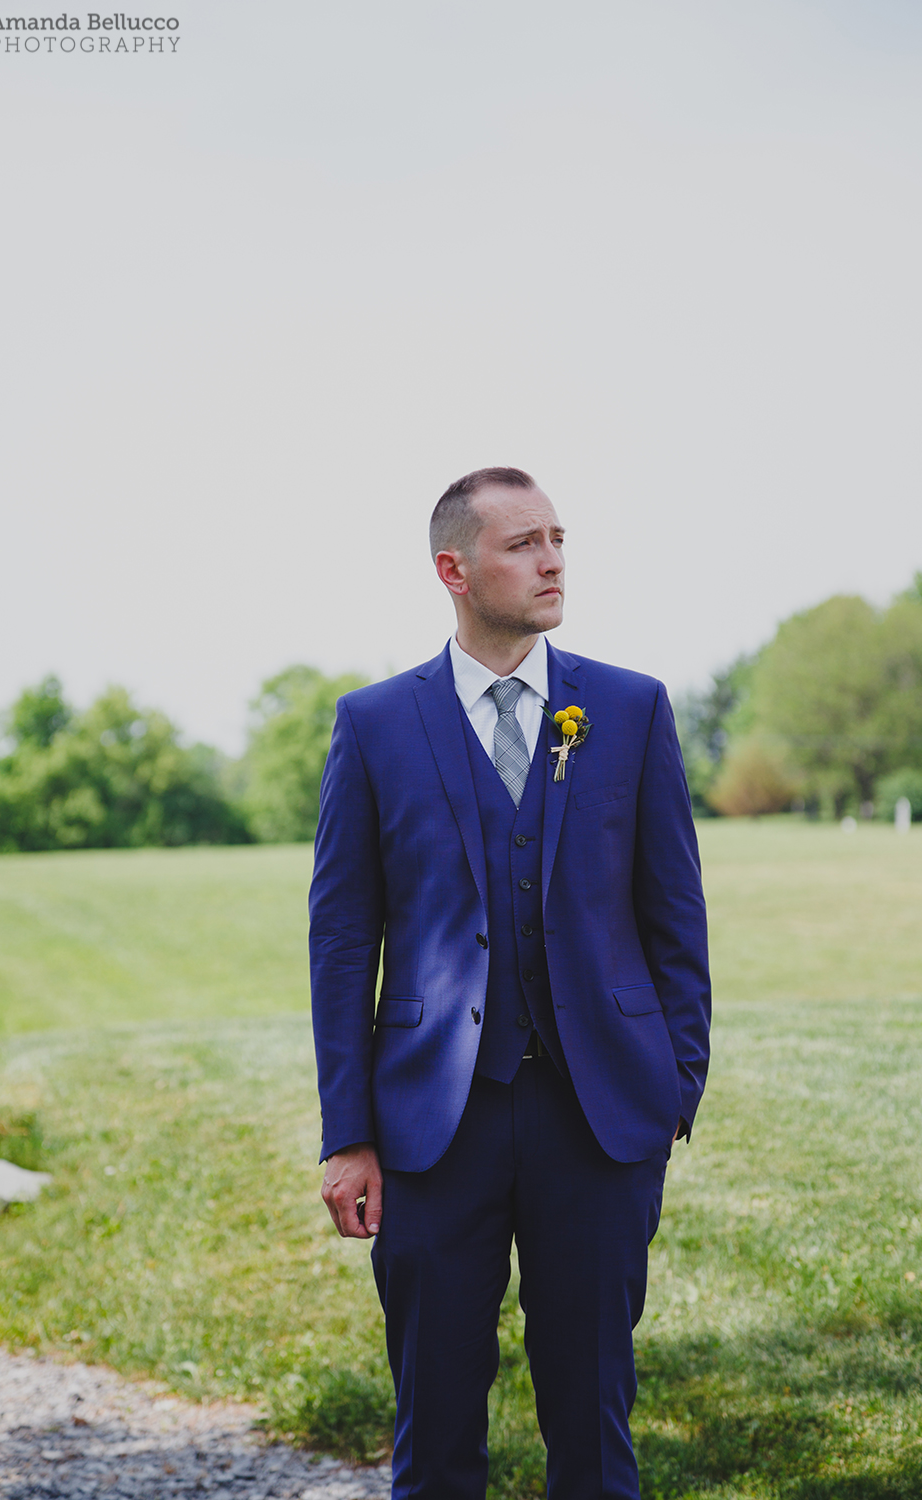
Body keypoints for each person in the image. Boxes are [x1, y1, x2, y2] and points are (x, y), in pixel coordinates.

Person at [309, 467, 710, 1499]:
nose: (553, 560)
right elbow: (344, 940)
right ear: (454, 568)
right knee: (434, 1431)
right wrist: (347, 1130)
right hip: (430, 1127)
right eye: (524, 543)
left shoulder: (627, 708)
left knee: (593, 1424)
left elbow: (673, 918)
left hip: (601, 1119)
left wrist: (676, 1083)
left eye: (559, 539)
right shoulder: (374, 725)